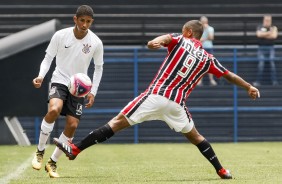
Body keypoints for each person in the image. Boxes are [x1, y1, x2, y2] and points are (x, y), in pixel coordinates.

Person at [53, 20, 260, 180]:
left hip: (156, 95)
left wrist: (156, 41)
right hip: (177, 104)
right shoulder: (208, 58)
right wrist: (248, 86)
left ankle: (76, 149)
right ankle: (221, 170)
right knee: (196, 137)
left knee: (116, 123)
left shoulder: (181, 39)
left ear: (188, 32)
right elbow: (228, 74)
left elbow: (167, 39)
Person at [31, 5, 104, 178]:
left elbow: (99, 68)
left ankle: (52, 162)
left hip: (79, 87)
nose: (85, 24)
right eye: (82, 20)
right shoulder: (60, 35)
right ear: (75, 19)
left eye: (88, 21)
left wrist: (93, 91)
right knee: (54, 110)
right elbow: (48, 58)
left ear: (91, 22)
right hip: (60, 79)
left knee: (72, 125)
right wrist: (41, 76)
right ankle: (40, 151)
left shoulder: (96, 42)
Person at [253, 15, 279, 86]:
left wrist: (264, 34)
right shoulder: (260, 27)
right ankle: (258, 81)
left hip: (271, 48)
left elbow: (274, 36)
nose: (267, 22)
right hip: (261, 48)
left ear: (271, 21)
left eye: (268, 20)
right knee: (261, 64)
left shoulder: (274, 27)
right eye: (266, 20)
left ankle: (274, 81)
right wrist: (269, 33)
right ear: (263, 20)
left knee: (272, 63)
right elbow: (258, 34)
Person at [198, 16, 217, 86]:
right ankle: (199, 80)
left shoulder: (210, 29)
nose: (203, 23)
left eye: (204, 22)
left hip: (209, 48)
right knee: (200, 64)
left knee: (210, 64)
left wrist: (206, 29)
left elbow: (211, 37)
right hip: (201, 48)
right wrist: (205, 38)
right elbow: (198, 39)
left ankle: (211, 79)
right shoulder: (199, 29)